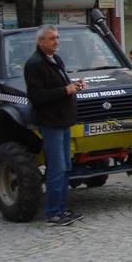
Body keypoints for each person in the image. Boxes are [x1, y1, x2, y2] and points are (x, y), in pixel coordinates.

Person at [25, 25, 85, 226]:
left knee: (66, 167)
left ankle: (63, 208)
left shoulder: (56, 59)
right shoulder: (34, 64)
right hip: (50, 123)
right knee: (57, 168)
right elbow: (36, 95)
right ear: (40, 41)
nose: (56, 42)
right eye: (52, 38)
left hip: (64, 120)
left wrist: (74, 85)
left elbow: (60, 85)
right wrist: (65, 90)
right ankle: (53, 212)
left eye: (57, 38)